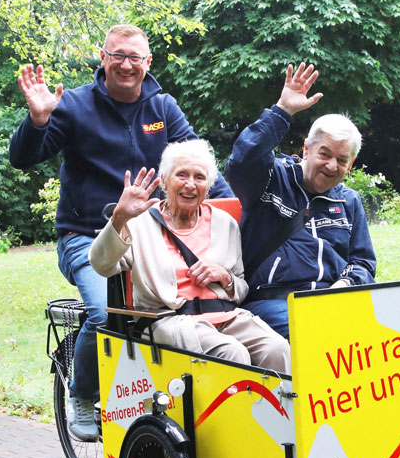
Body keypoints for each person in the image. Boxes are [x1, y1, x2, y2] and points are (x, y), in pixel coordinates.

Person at [8, 24, 232, 442]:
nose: (127, 65)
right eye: (118, 55)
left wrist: (231, 212)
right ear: (103, 57)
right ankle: (83, 393)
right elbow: (24, 157)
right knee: (105, 312)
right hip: (85, 235)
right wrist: (37, 121)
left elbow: (197, 162)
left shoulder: (162, 107)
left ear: (148, 63)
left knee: (186, 308)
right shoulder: (74, 105)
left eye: (135, 57)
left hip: (152, 234)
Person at [89, 139, 291, 380]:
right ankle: (231, 418)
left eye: (200, 177)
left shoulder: (224, 223)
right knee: (232, 353)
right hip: (170, 321)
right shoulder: (139, 224)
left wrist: (225, 277)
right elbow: (102, 264)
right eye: (182, 175)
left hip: (227, 316)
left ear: (209, 186)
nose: (191, 185)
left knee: (278, 350)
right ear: (164, 181)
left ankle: (282, 417)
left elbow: (240, 287)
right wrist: (119, 218)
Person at [225, 63, 376, 339]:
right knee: (318, 335)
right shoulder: (272, 178)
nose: (332, 166)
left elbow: (364, 263)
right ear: (306, 148)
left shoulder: (349, 201)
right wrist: (283, 110)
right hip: (273, 303)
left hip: (335, 303)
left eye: (341, 160)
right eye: (324, 154)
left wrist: (346, 283)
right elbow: (241, 162)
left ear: (351, 164)